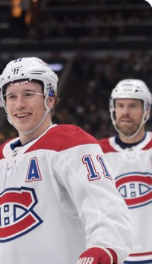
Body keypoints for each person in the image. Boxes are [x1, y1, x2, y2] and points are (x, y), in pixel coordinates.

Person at [0, 57, 133, 264]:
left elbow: (106, 211)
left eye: (29, 94)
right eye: (11, 96)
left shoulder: (70, 143)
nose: (19, 104)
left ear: (50, 98)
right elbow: (1, 239)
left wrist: (103, 249)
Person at [98, 79, 152, 263]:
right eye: (120, 105)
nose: (125, 112)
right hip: (116, 255)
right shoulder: (96, 152)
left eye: (133, 106)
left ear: (146, 110)